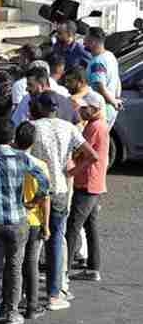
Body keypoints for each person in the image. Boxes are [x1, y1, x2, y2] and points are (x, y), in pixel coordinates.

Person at [27, 92, 98, 311]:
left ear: (40, 107)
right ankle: (54, 294)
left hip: (36, 190)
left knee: (32, 242)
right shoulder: (69, 128)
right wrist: (72, 172)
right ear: (56, 108)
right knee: (56, 240)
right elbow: (92, 155)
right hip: (59, 189)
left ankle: (25, 294)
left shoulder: (33, 127)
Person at [0, 121, 51, 324]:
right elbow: (45, 184)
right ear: (12, 138)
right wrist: (33, 201)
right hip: (18, 219)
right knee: (15, 266)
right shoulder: (22, 158)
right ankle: (12, 312)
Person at [68, 92, 109, 282]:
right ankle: (93, 268)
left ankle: (63, 269)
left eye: (85, 107)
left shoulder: (95, 127)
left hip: (87, 183)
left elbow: (82, 152)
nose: (81, 110)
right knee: (89, 226)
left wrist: (73, 170)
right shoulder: (97, 125)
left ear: (94, 109)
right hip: (94, 183)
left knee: (73, 226)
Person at [14, 122, 53, 319]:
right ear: (33, 141)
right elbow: (45, 197)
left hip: (14, 218)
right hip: (35, 220)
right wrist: (46, 226)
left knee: (14, 263)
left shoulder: (10, 161)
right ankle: (32, 305)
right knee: (31, 263)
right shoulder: (40, 165)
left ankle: (13, 301)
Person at [13, 64, 80, 126]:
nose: (27, 89)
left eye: (30, 85)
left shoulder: (30, 100)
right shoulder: (66, 101)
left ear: (42, 86)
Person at [84, 27, 123, 127]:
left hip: (99, 110)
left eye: (86, 38)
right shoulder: (110, 55)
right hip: (110, 109)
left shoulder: (97, 62)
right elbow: (117, 81)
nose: (84, 41)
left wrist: (113, 103)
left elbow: (100, 88)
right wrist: (116, 99)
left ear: (93, 41)